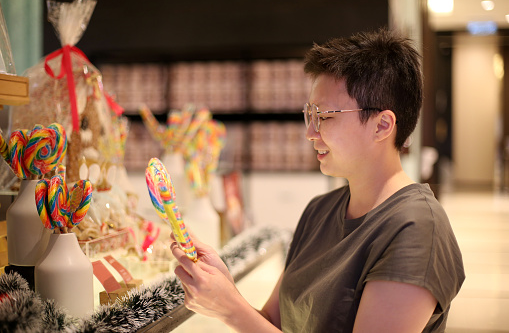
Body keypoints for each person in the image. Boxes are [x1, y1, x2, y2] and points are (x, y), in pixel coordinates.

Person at [171, 28, 465, 332]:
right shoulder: (319, 211)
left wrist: (231, 309)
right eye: (309, 114)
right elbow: (273, 323)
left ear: (382, 125)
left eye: (324, 116)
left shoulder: (416, 229)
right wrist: (226, 293)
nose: (311, 132)